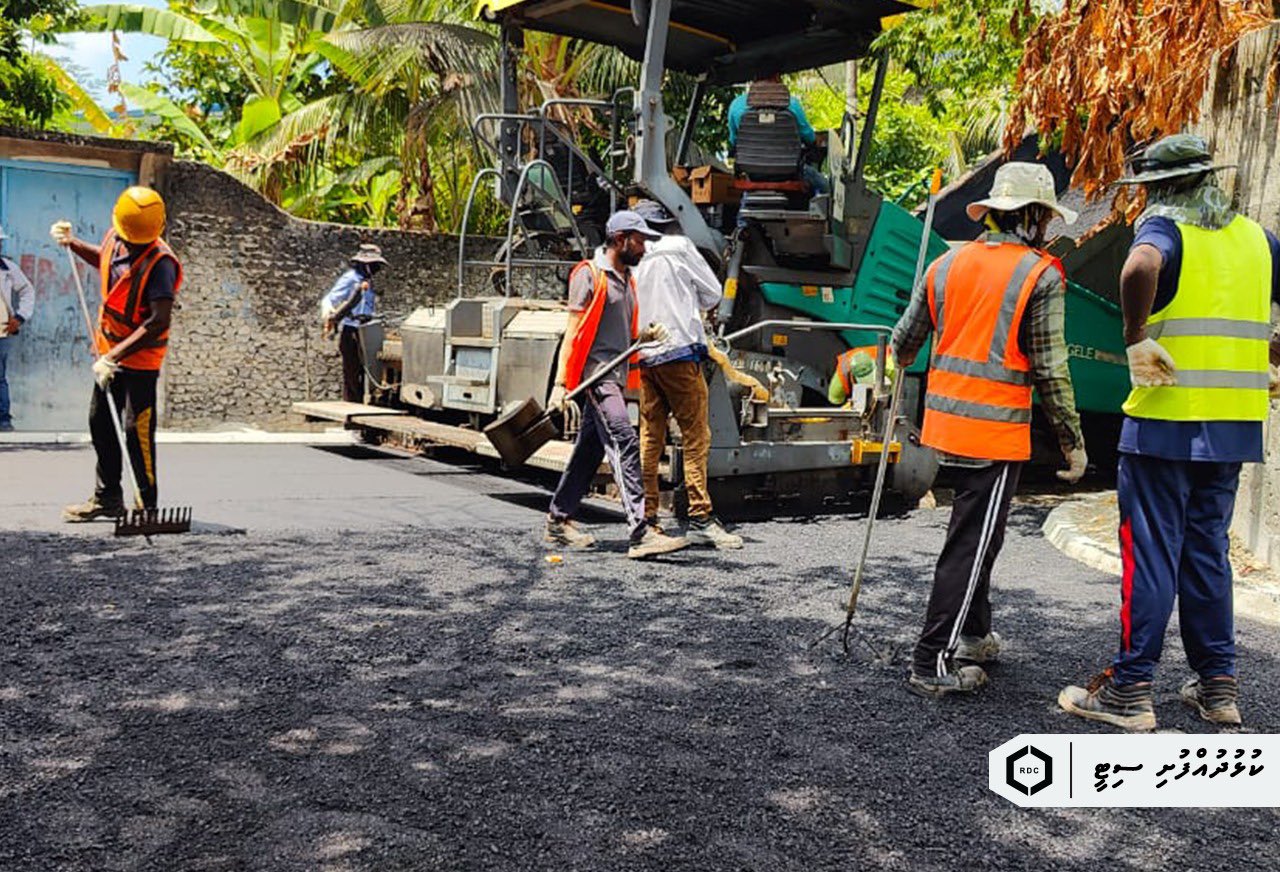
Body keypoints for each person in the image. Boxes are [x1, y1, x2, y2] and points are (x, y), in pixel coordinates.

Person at [1060, 134, 1280, 731]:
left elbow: (1140, 266)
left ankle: (1130, 691)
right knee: (1207, 552)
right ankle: (1218, 688)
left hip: (1164, 422)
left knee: (1152, 552)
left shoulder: (1164, 228)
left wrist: (1135, 337)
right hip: (1232, 425)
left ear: (1163, 187)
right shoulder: (1259, 240)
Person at [892, 161, 1088, 699]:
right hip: (994, 432)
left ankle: (975, 635)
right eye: (1044, 217)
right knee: (971, 543)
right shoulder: (1040, 275)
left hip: (945, 427)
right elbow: (1051, 370)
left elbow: (903, 342)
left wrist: (904, 360)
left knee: (979, 535)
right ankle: (931, 660)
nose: (1046, 228)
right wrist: (1072, 443)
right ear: (1029, 217)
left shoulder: (945, 265)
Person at [545, 210, 689, 560]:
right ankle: (640, 531)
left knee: (590, 450)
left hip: (616, 375)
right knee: (625, 439)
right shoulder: (589, 275)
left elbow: (619, 331)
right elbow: (573, 331)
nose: (644, 248)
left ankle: (558, 520)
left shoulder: (627, 280)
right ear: (621, 239)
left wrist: (644, 337)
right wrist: (561, 384)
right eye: (639, 241)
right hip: (597, 377)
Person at [53, 186, 183, 521]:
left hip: (140, 359)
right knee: (101, 423)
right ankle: (107, 498)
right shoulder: (117, 238)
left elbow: (158, 320)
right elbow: (106, 261)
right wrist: (73, 243)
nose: (134, 245)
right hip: (109, 353)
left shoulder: (161, 264)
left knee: (136, 431)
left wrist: (115, 357)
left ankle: (146, 505)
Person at [632, 200, 742, 549]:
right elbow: (712, 294)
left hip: (646, 356)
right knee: (696, 436)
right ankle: (700, 517)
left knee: (650, 439)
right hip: (679, 353)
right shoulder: (678, 246)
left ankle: (648, 518)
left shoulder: (634, 256)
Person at [727, 73, 829, 195]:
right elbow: (810, 140)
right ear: (776, 77)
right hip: (790, 174)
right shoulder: (792, 104)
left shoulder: (736, 105)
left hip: (753, 175)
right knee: (827, 186)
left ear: (754, 78)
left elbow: (734, 143)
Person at [323, 243, 387, 403]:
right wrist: (330, 316)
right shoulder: (351, 278)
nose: (376, 268)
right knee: (352, 372)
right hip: (352, 329)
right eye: (374, 265)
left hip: (367, 329)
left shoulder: (369, 281)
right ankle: (352, 405)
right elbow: (330, 299)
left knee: (370, 369)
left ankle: (367, 403)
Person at [0, 224, 35, 432]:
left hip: (1, 330)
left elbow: (27, 290)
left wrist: (20, 317)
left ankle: (3, 420)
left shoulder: (7, 268)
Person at [828, 345, 895, 407]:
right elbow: (835, 404)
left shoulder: (890, 365)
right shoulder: (840, 380)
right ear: (852, 376)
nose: (869, 383)